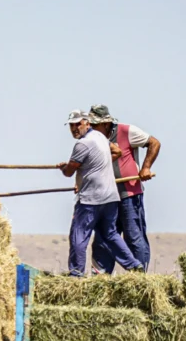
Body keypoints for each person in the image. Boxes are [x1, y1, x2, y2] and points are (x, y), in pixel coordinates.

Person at [57, 111, 144, 277]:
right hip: (111, 197)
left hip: (91, 199)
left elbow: (69, 171)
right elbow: (117, 151)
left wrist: (64, 168)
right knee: (109, 234)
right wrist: (95, 164)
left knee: (79, 236)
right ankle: (134, 265)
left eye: (78, 124)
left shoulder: (82, 144)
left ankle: (76, 274)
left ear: (87, 123)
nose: (74, 128)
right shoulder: (100, 137)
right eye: (71, 125)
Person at [88, 104, 160, 273]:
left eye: (95, 125)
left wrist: (146, 167)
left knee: (134, 236)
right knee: (104, 236)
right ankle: (101, 276)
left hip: (129, 194)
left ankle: (138, 276)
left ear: (106, 124)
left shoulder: (127, 131)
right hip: (106, 197)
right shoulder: (92, 139)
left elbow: (154, 143)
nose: (91, 128)